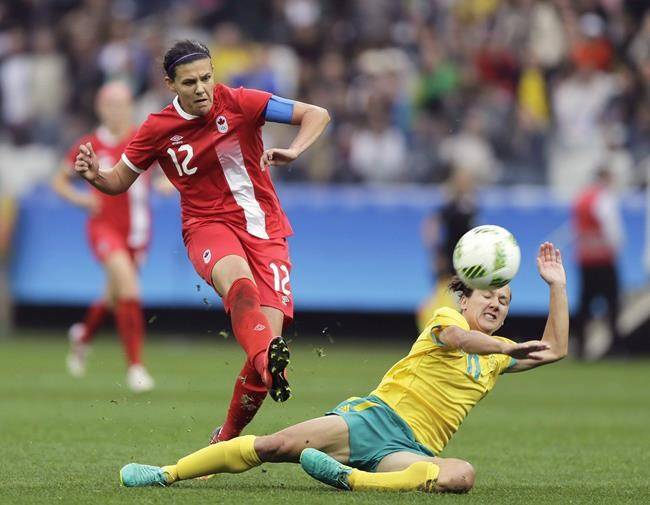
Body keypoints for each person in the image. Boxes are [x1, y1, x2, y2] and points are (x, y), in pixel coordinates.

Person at [118, 242, 568, 494]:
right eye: (488, 294)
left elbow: (555, 350)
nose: (495, 302)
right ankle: (167, 473)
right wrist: (505, 350)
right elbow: (459, 339)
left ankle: (352, 480)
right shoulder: (447, 320)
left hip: (412, 448)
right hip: (372, 419)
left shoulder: (497, 356)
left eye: (504, 300)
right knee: (275, 445)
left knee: (461, 475)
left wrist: (557, 286)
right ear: (464, 298)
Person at [73, 40, 330, 440]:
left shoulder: (243, 101)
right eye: (189, 82)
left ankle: (225, 436)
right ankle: (266, 359)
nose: (201, 89)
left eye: (207, 78)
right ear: (170, 85)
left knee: (265, 357)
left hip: (266, 230)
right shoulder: (157, 128)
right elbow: (119, 179)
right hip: (208, 226)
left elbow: (317, 114)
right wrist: (94, 176)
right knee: (240, 286)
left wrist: (295, 149)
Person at [53, 81, 159, 392]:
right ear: (100, 108)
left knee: (113, 297)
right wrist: (81, 199)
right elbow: (59, 180)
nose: (116, 111)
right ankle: (136, 368)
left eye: (122, 104)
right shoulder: (89, 144)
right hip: (104, 228)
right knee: (128, 287)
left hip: (138, 232)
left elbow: (167, 170)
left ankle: (82, 336)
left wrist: (168, 184)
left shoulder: (142, 139)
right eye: (110, 105)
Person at [572, 166, 625, 358]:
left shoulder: (581, 198)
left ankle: (580, 346)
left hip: (585, 257)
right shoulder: (604, 199)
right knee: (613, 303)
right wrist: (616, 247)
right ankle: (615, 346)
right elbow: (612, 229)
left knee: (585, 303)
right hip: (603, 258)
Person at [417, 168, 477, 331]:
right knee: (445, 299)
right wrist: (435, 251)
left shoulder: (470, 207)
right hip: (449, 262)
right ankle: (432, 331)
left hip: (464, 263)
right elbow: (431, 226)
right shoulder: (450, 208)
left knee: (460, 301)